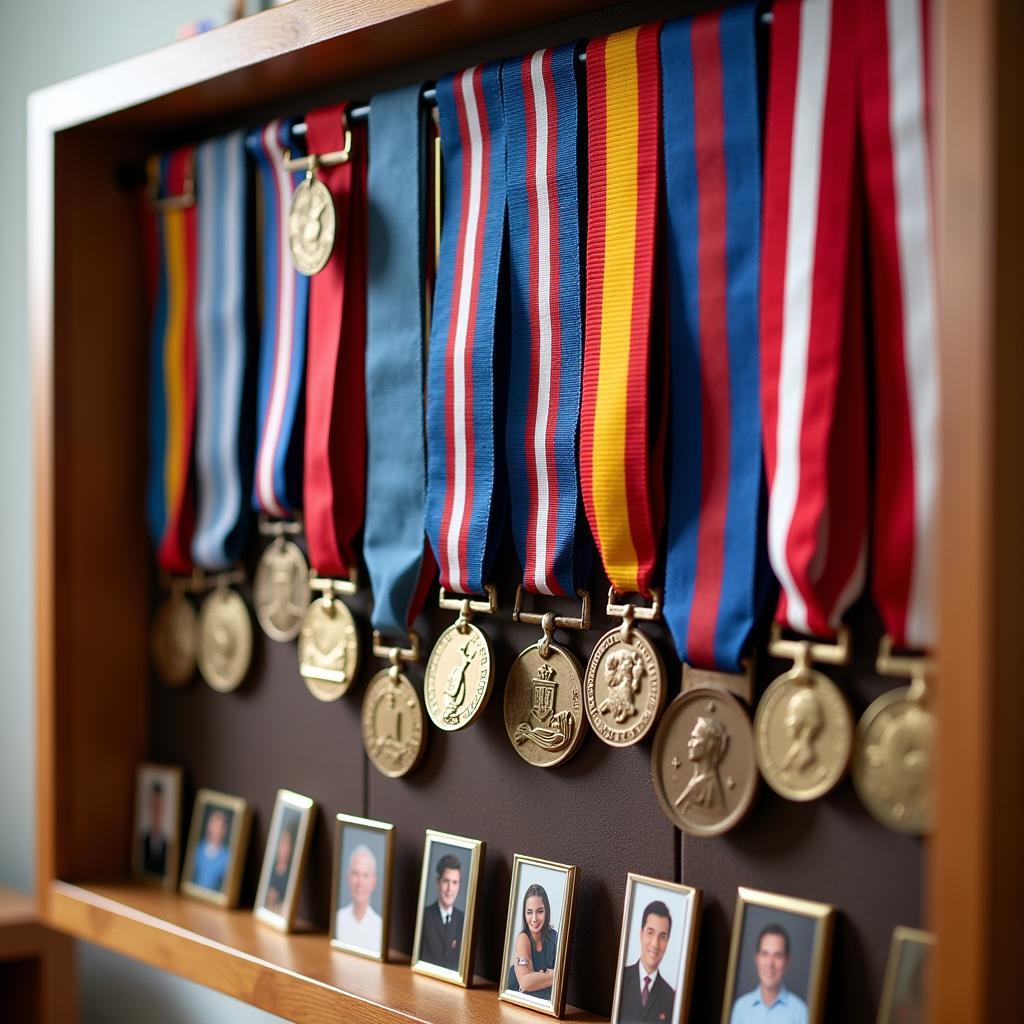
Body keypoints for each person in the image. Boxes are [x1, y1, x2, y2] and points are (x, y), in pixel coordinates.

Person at [730, 924, 809, 1024]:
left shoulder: (801, 1012)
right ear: (757, 959)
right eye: (765, 954)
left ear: (787, 961)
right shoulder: (740, 1008)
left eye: (778, 956)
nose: (770, 964)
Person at [618, 900, 676, 1022]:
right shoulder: (620, 979)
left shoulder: (671, 998)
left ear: (667, 942)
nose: (655, 944)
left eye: (662, 936)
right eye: (650, 932)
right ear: (641, 934)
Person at [506, 883, 558, 1002]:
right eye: (529, 912)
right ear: (524, 914)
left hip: (543, 1003)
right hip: (518, 1002)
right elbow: (525, 983)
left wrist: (540, 976)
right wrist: (555, 974)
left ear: (547, 911)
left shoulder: (554, 937)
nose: (534, 919)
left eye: (540, 911)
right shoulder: (523, 939)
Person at [419, 853, 465, 970]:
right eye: (446, 881)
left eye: (455, 882)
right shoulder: (424, 917)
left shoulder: (464, 920)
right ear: (438, 882)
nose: (450, 889)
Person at [335, 844, 382, 952]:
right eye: (355, 874)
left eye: (365, 875)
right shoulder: (337, 919)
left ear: (373, 881)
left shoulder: (379, 927)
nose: (360, 882)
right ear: (348, 877)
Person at [192, 808, 231, 892]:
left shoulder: (227, 856)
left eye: (219, 827)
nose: (216, 830)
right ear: (209, 826)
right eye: (214, 825)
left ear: (224, 830)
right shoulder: (198, 848)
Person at [264, 818, 297, 914]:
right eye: (281, 841)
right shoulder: (269, 870)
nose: (281, 846)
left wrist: (275, 904)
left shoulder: (290, 877)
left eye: (286, 843)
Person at [140, 779, 168, 878]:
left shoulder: (168, 844)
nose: (156, 812)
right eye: (154, 806)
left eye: (159, 807)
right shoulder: (141, 841)